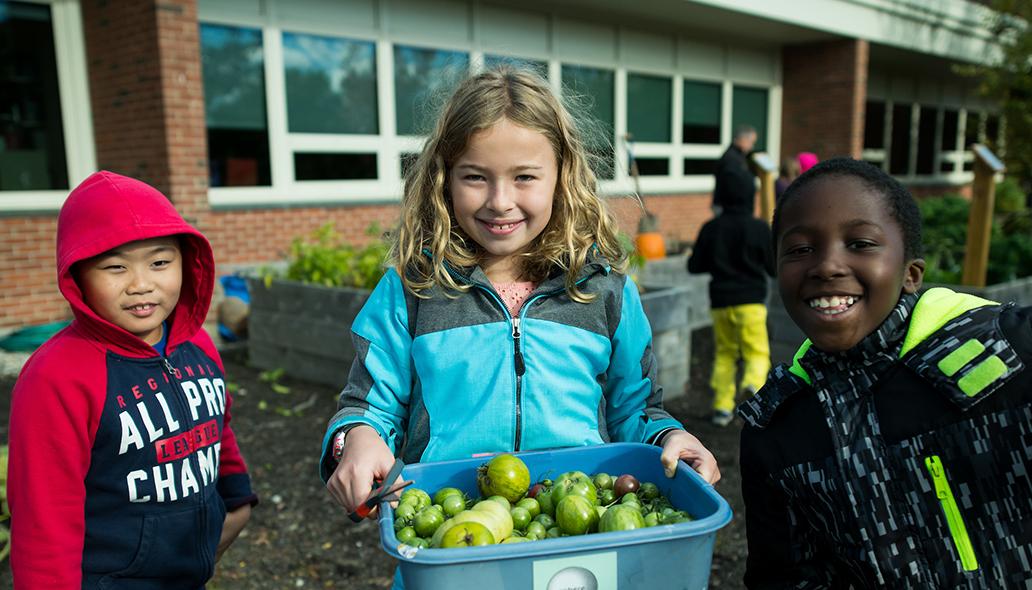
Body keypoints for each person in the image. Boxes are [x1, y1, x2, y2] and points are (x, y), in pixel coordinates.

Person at [321, 66, 719, 517]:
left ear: (561, 176)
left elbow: (636, 409)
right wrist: (356, 439)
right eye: (475, 177)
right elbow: (368, 407)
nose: (500, 201)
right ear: (444, 178)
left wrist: (670, 438)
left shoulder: (605, 290)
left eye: (525, 177)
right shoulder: (410, 289)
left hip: (577, 526)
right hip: (447, 525)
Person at [738, 157, 1032, 587]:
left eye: (860, 243)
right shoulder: (775, 429)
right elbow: (784, 577)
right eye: (801, 249)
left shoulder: (1011, 351)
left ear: (911, 274)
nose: (827, 266)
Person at [8, 171, 258, 589]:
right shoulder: (57, 378)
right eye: (115, 267)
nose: (141, 285)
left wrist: (238, 498)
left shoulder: (198, 344)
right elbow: (43, 519)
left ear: (186, 260)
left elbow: (216, 427)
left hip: (190, 570)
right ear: (78, 276)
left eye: (160, 262)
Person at [688, 165, 774, 427]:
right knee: (756, 352)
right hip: (751, 303)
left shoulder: (711, 228)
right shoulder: (759, 229)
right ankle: (753, 389)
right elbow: (773, 268)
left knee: (725, 353)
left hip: (721, 303)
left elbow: (694, 266)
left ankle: (722, 409)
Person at [713, 125, 757, 211]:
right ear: (743, 140)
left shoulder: (737, 156)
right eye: (751, 142)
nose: (752, 146)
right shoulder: (731, 158)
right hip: (727, 208)